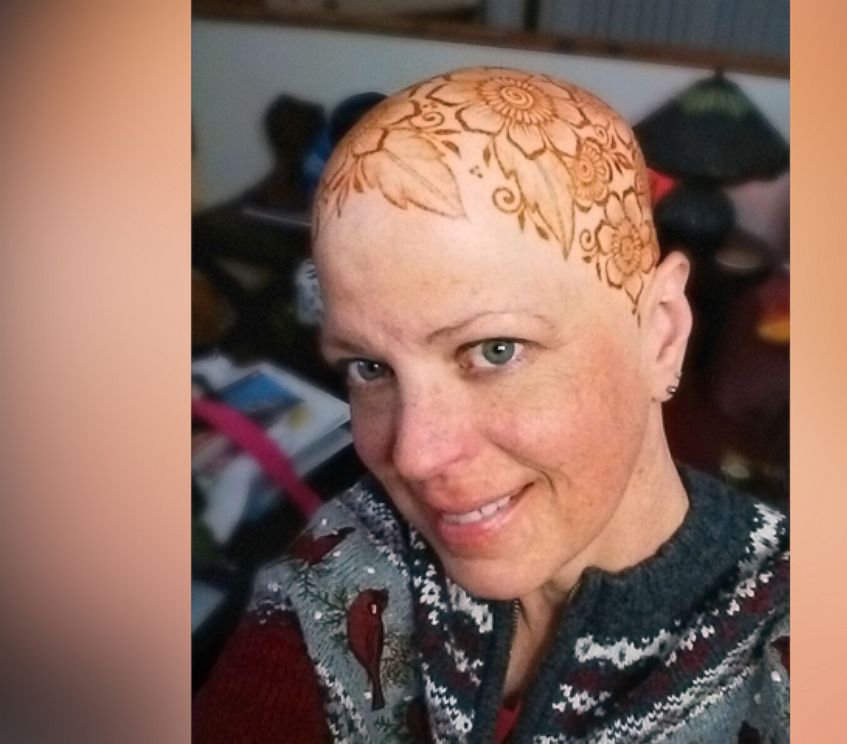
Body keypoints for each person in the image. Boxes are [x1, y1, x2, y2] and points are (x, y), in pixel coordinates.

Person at [193, 66, 789, 744]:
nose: (414, 455)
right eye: (370, 367)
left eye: (495, 350)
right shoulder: (341, 561)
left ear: (660, 332)